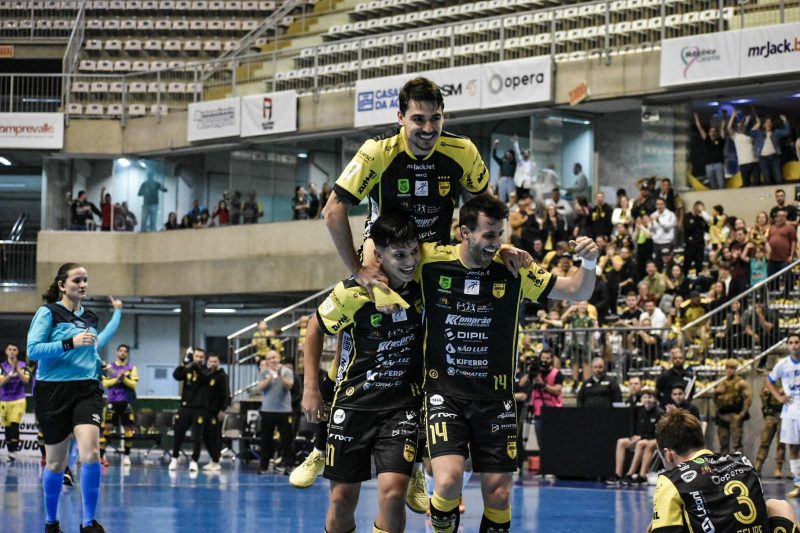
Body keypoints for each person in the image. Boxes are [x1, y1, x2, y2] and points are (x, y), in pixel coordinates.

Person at [415, 194, 597, 532]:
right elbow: (386, 257)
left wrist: (589, 262)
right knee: (449, 480)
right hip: (445, 394)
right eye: (488, 235)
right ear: (463, 231)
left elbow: (577, 290)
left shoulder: (513, 270)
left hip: (495, 399)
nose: (496, 243)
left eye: (500, 235)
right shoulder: (429, 263)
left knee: (498, 494)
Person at [301, 211, 425, 533]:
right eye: (399, 255)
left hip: (401, 407)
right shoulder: (352, 293)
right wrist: (311, 389)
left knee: (394, 495)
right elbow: (314, 329)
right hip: (352, 406)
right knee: (342, 499)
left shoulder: (424, 285)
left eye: (414, 252)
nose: (410, 261)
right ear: (378, 255)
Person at [322, 76, 489, 293]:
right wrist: (357, 270)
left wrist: (498, 248)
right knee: (380, 310)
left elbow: (485, 207)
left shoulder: (462, 150)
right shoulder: (377, 151)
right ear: (401, 117)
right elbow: (332, 210)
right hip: (385, 258)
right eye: (419, 119)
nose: (428, 128)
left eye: (435, 118)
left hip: (433, 257)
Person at [27, 263, 123, 533]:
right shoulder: (48, 313)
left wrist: (97, 363)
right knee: (56, 463)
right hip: (52, 392)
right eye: (77, 280)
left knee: (91, 453)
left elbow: (90, 348)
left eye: (86, 280)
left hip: (87, 390)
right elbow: (33, 350)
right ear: (62, 285)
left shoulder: (90, 317)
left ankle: (88, 523)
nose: (83, 285)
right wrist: (69, 343)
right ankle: (51, 522)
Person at [650, 408, 799, 533]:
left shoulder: (671, 479)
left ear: (668, 454)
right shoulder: (742, 462)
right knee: (778, 506)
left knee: (658, 523)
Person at [766, 333, 800, 498]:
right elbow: (769, 380)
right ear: (787, 345)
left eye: (797, 342)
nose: (794, 345)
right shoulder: (782, 364)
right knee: (793, 448)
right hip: (790, 411)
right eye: (791, 342)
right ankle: (798, 484)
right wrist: (779, 397)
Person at [607, 388, 664, 485]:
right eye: (644, 397)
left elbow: (658, 433)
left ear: (655, 399)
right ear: (641, 399)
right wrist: (635, 437)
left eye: (650, 397)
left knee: (641, 444)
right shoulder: (641, 412)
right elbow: (639, 430)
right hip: (642, 438)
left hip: (656, 439)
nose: (647, 400)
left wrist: (640, 438)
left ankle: (635, 475)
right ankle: (618, 474)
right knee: (621, 442)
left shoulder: (660, 412)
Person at [169, 347, 210, 473]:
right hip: (185, 407)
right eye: (196, 356)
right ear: (193, 357)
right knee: (178, 433)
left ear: (204, 358)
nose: (199, 359)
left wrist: (195, 367)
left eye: (201, 357)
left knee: (197, 436)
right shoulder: (188, 368)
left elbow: (206, 379)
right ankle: (174, 457)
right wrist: (184, 364)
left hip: (199, 409)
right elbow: (176, 375)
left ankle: (194, 461)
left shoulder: (206, 371)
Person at [99, 343, 138, 467]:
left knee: (128, 431)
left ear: (127, 354)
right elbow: (105, 384)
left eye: (125, 351)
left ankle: (127, 456)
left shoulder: (132, 368)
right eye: (120, 350)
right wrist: (117, 378)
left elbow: (133, 385)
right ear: (117, 353)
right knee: (107, 429)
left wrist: (124, 379)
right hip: (112, 402)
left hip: (126, 402)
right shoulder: (109, 367)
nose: (122, 353)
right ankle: (102, 455)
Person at [257, 350, 294, 474]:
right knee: (266, 440)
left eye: (274, 357)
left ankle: (288, 465)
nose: (272, 360)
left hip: (284, 411)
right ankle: (263, 466)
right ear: (267, 361)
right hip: (267, 411)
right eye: (269, 358)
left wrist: (280, 375)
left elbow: (289, 386)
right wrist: (270, 378)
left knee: (286, 440)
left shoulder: (287, 371)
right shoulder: (263, 373)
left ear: (279, 358)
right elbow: (260, 387)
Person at [526, 348, 563, 457]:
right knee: (540, 441)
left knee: (553, 440)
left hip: (552, 411)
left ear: (552, 359)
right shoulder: (536, 372)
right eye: (543, 358)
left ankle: (554, 466)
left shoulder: (557, 373)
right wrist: (530, 373)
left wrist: (543, 384)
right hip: (537, 411)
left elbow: (557, 390)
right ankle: (544, 467)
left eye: (547, 358)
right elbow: (523, 384)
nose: (545, 361)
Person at [713, 358, 751, 455]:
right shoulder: (722, 383)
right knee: (723, 443)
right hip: (722, 415)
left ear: (735, 369)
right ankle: (723, 466)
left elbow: (748, 398)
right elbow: (716, 400)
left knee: (737, 444)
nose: (729, 370)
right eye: (727, 368)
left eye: (732, 368)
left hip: (735, 415)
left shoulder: (741, 383)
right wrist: (716, 392)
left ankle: (738, 466)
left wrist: (742, 413)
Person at [0, 342, 30, 462]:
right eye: (10, 349)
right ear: (6, 352)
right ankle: (11, 452)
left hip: (18, 399)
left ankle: (14, 452)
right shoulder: (2, 367)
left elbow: (26, 380)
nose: (12, 351)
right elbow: (1, 382)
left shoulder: (24, 365)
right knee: (7, 427)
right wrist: (9, 376)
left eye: (14, 349)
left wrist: (18, 370)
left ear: (17, 352)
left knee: (14, 425)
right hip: (4, 400)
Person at [202, 353, 229, 472]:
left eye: (215, 362)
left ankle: (216, 461)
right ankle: (213, 458)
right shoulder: (207, 375)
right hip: (206, 411)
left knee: (215, 436)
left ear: (219, 362)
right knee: (206, 436)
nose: (213, 364)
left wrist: (222, 409)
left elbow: (226, 394)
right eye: (211, 361)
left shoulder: (222, 376)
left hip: (216, 412)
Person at [756, 376, 786, 479]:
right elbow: (762, 396)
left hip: (784, 414)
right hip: (771, 414)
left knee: (781, 443)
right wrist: (765, 393)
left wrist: (785, 392)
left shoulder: (790, 380)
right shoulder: (769, 381)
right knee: (764, 442)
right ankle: (758, 467)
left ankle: (778, 468)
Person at [751, 113, 792, 185]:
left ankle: (780, 193)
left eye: (770, 122)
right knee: (767, 178)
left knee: (778, 177)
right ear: (764, 125)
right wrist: (758, 124)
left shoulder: (776, 133)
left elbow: (787, 131)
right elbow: (750, 133)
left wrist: (785, 121)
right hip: (763, 158)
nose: (769, 124)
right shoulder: (759, 133)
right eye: (767, 122)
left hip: (775, 157)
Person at [693, 111, 727, 190]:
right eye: (711, 131)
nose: (712, 132)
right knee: (713, 185)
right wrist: (696, 117)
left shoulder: (720, 140)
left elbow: (723, 127)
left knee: (721, 184)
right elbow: (699, 127)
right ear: (708, 133)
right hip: (709, 166)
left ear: (716, 132)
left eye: (714, 131)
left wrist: (724, 116)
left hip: (719, 164)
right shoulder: (707, 140)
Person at [727, 111, 760, 187]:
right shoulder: (735, 136)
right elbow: (729, 127)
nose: (740, 127)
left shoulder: (750, 133)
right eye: (739, 126)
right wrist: (733, 116)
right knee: (746, 183)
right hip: (743, 163)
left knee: (757, 182)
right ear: (737, 128)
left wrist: (754, 114)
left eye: (741, 126)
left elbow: (758, 123)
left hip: (754, 161)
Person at [511, 134, 536, 201]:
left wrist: (533, 182)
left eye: (527, 153)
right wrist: (515, 142)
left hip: (527, 183)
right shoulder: (520, 161)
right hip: (519, 183)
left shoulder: (532, 163)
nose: (525, 154)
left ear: (529, 155)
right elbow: (517, 152)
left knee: (526, 197)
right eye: (524, 153)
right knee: (519, 198)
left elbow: (533, 173)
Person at [491, 139, 516, 204]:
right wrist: (495, 145)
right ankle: (502, 210)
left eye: (509, 154)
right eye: (507, 154)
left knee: (512, 196)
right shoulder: (503, 161)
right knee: (502, 196)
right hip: (503, 179)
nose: (508, 155)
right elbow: (494, 156)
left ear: (512, 155)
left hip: (511, 179)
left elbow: (517, 156)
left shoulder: (514, 162)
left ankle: (511, 209)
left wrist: (515, 144)